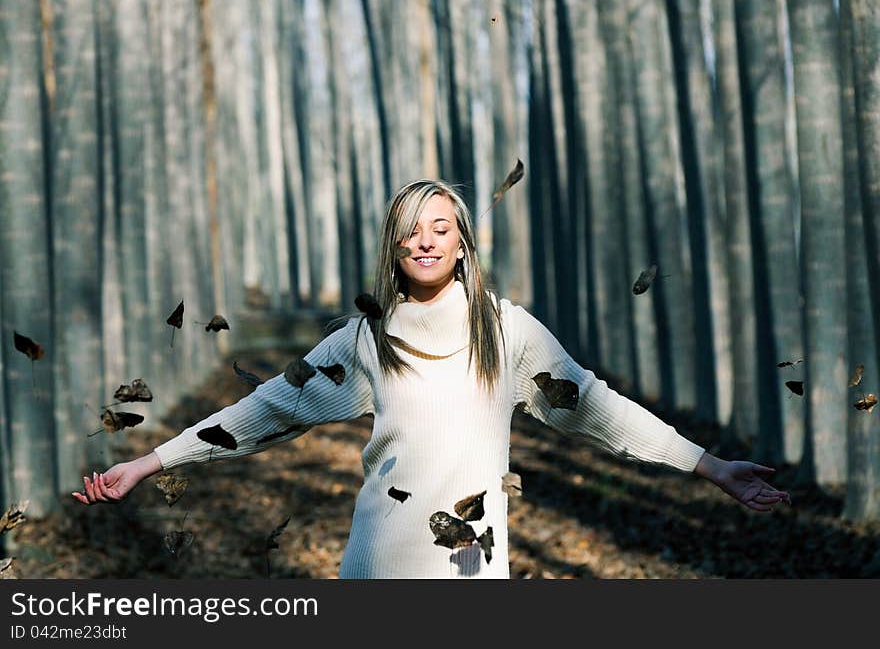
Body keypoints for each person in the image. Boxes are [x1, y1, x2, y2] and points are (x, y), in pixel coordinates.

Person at [73, 179, 791, 578]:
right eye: (411, 227)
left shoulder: (509, 331)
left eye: (440, 227)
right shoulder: (365, 339)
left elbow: (600, 411)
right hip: (377, 565)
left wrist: (710, 465)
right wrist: (150, 461)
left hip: (470, 571)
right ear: (394, 242)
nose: (424, 239)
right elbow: (262, 411)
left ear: (462, 243)